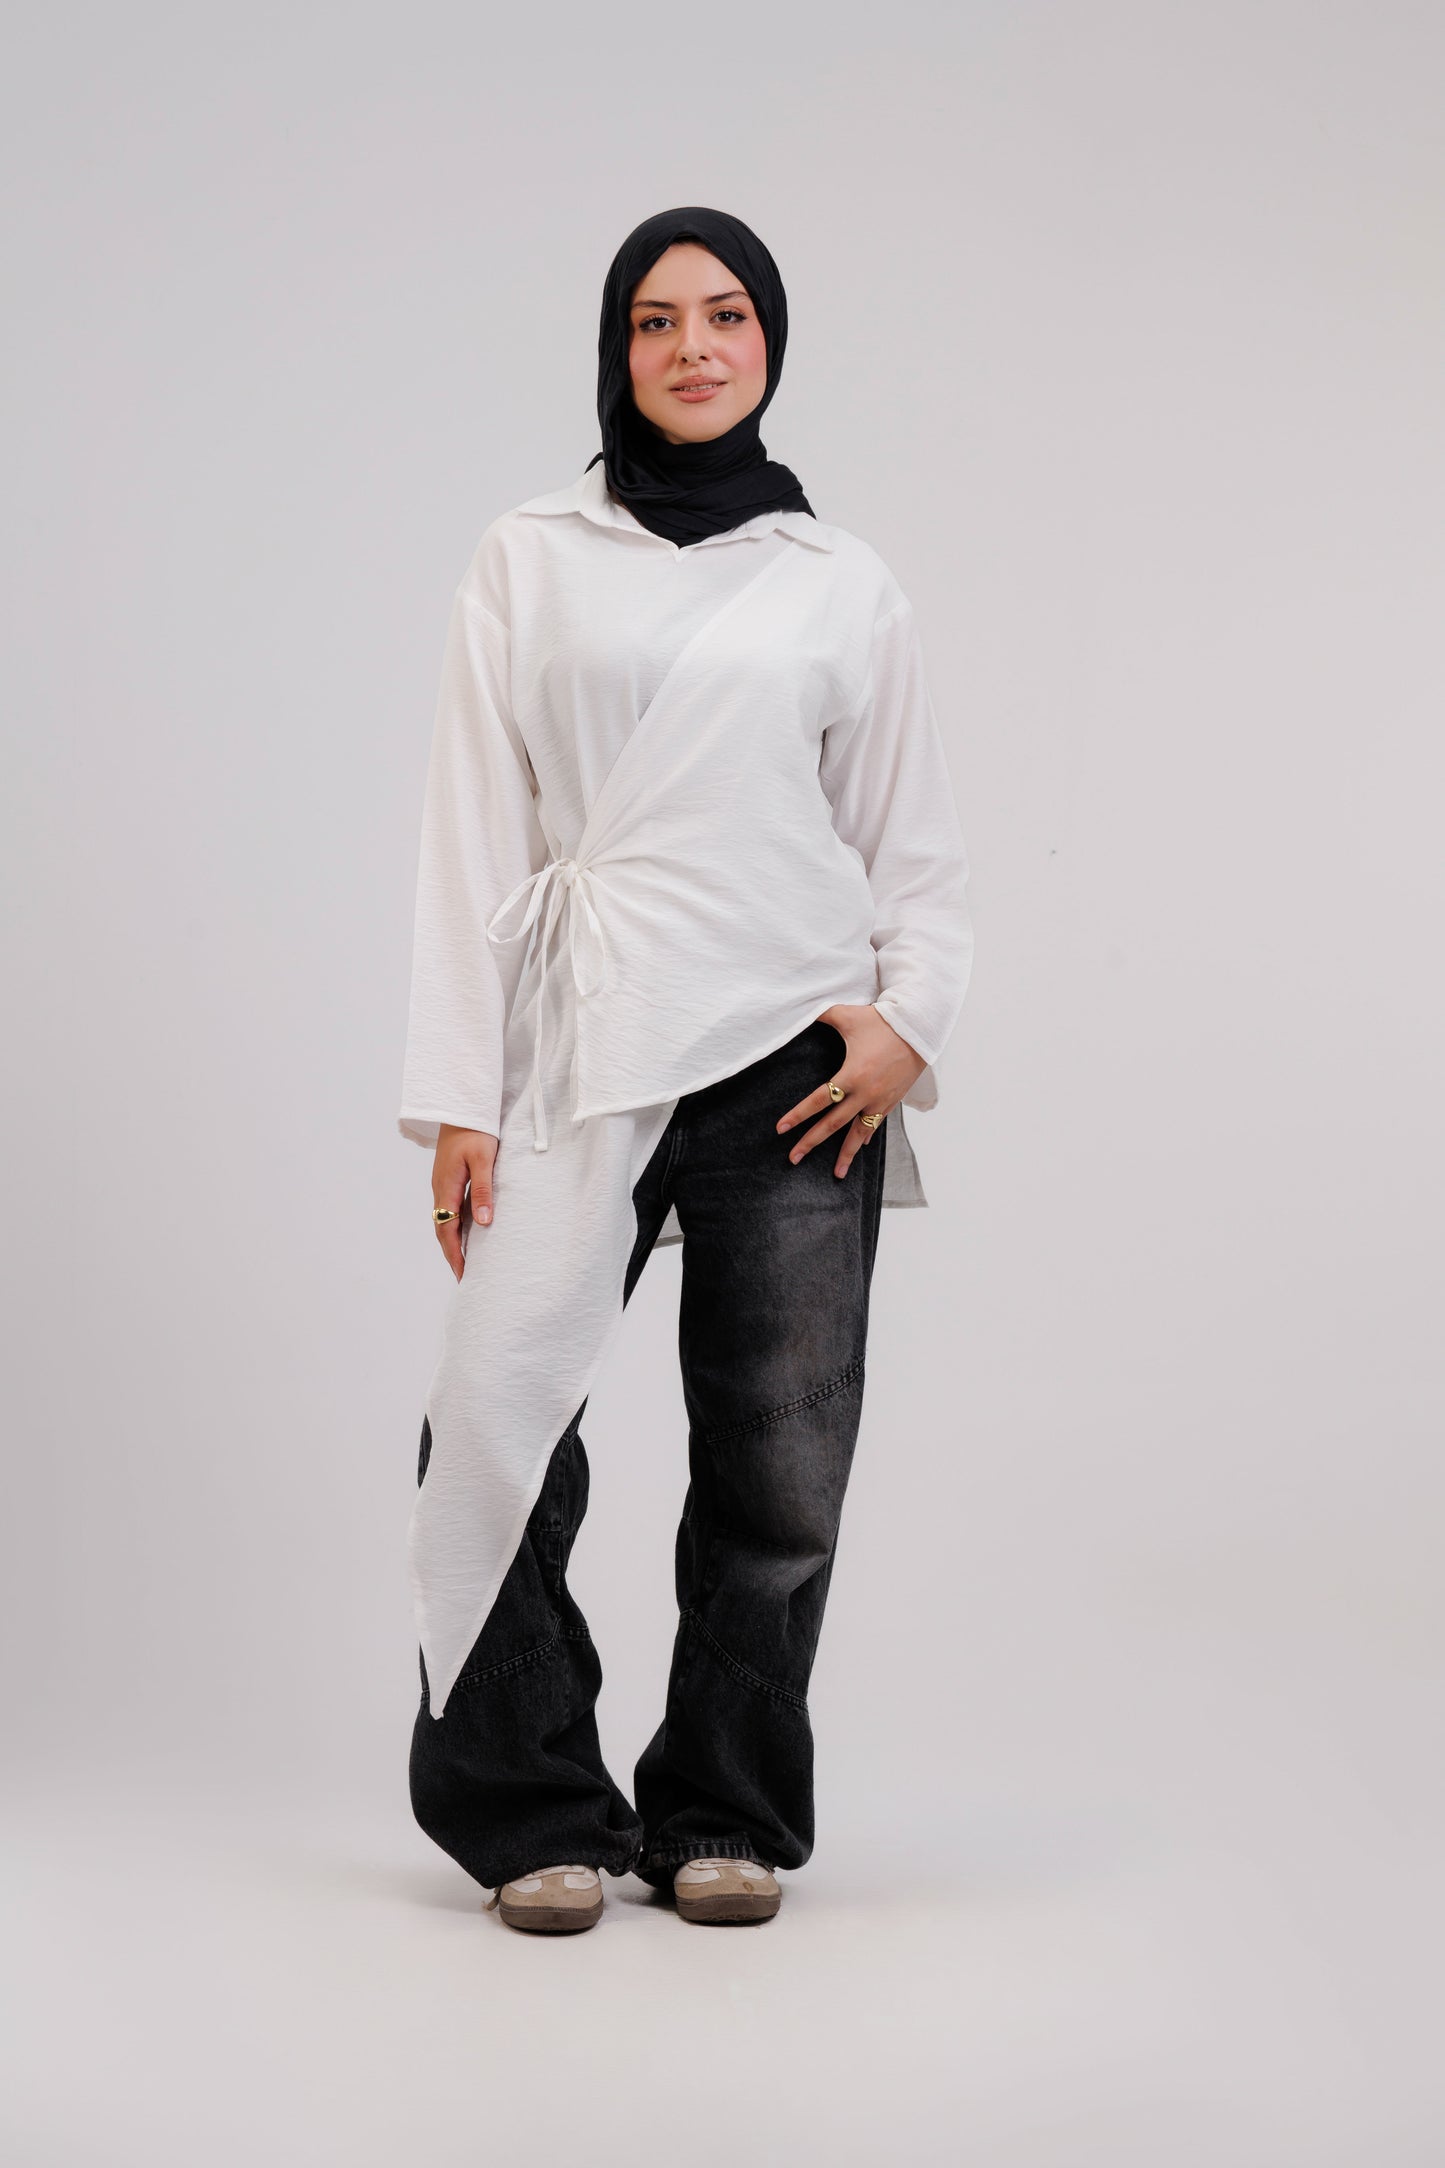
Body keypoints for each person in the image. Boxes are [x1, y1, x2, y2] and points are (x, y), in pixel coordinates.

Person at [397, 206, 974, 1933]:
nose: (694, 347)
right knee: (490, 1423)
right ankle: (532, 1809)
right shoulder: (530, 552)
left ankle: (723, 1813)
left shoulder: (836, 577)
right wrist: (461, 1096)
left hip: (794, 1055)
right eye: (656, 321)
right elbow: (471, 831)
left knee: (776, 1466)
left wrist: (907, 1018)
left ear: (769, 341)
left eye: (726, 315)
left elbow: (911, 838)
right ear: (616, 349)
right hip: (583, 1039)